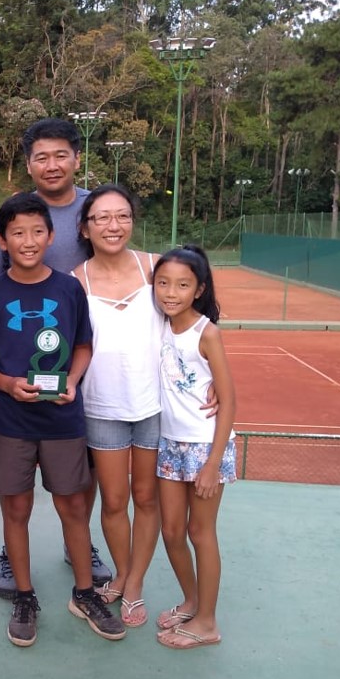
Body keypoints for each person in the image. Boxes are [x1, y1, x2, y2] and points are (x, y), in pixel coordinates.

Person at [0, 193, 124, 647]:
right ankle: (24, 596)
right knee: (16, 510)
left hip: (62, 419)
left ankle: (85, 594)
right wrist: (6, 384)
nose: (29, 240)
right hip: (10, 421)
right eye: (17, 233)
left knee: (73, 507)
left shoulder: (68, 288)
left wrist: (72, 381)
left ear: (51, 236)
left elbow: (83, 345)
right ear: (2, 241)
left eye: (37, 231)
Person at [0, 117, 111, 596]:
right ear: (29, 163)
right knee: (16, 497)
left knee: (79, 477)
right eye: (41, 157)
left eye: (61, 155)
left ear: (77, 158)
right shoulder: (7, 217)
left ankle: (81, 547)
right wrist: (3, 375)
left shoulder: (94, 209)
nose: (52, 164)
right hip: (18, 381)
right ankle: (13, 561)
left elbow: (119, 254)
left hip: (79, 364)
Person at [72, 184, 162, 629]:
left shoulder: (156, 268)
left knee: (146, 498)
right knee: (114, 500)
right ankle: (123, 573)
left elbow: (195, 326)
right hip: (102, 408)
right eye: (102, 217)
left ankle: (134, 582)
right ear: (85, 228)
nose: (114, 225)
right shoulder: (75, 281)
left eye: (123, 215)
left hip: (155, 406)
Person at [152, 244, 236, 650]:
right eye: (163, 283)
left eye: (183, 285)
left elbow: (229, 401)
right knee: (171, 531)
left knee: (200, 532)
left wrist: (213, 463)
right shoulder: (159, 325)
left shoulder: (208, 333)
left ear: (199, 289)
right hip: (169, 442)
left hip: (205, 447)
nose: (171, 293)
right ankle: (191, 600)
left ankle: (207, 622)